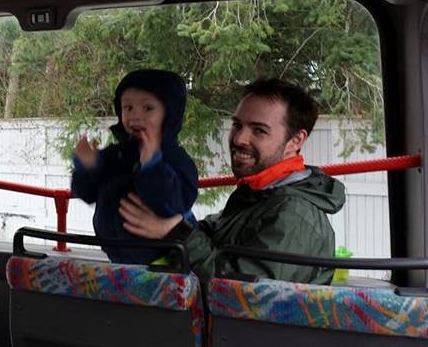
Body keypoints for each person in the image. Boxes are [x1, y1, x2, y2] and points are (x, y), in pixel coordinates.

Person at [118, 78, 345, 285]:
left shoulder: (294, 215)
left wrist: (176, 232)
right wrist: (171, 219)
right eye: (237, 125)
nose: (239, 139)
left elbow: (243, 294)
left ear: (295, 140)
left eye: (259, 130)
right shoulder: (260, 195)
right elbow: (214, 233)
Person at [71, 69, 198, 264]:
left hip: (164, 263)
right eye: (128, 107)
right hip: (118, 258)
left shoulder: (176, 160)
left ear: (169, 115)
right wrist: (87, 167)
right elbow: (87, 193)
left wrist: (151, 166)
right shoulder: (116, 155)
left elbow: (172, 205)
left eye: (148, 108)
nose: (135, 116)